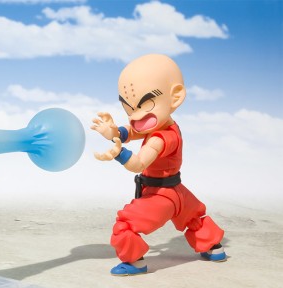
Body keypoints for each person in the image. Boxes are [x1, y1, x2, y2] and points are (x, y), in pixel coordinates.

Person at [91, 54, 227, 276]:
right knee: (194, 217)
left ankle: (134, 262)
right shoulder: (164, 126)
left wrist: (120, 154)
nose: (136, 116)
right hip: (178, 192)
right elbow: (133, 130)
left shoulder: (161, 138)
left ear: (175, 97)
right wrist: (113, 132)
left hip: (161, 195)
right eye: (129, 108)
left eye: (146, 105)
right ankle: (214, 247)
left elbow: (138, 164)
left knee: (124, 225)